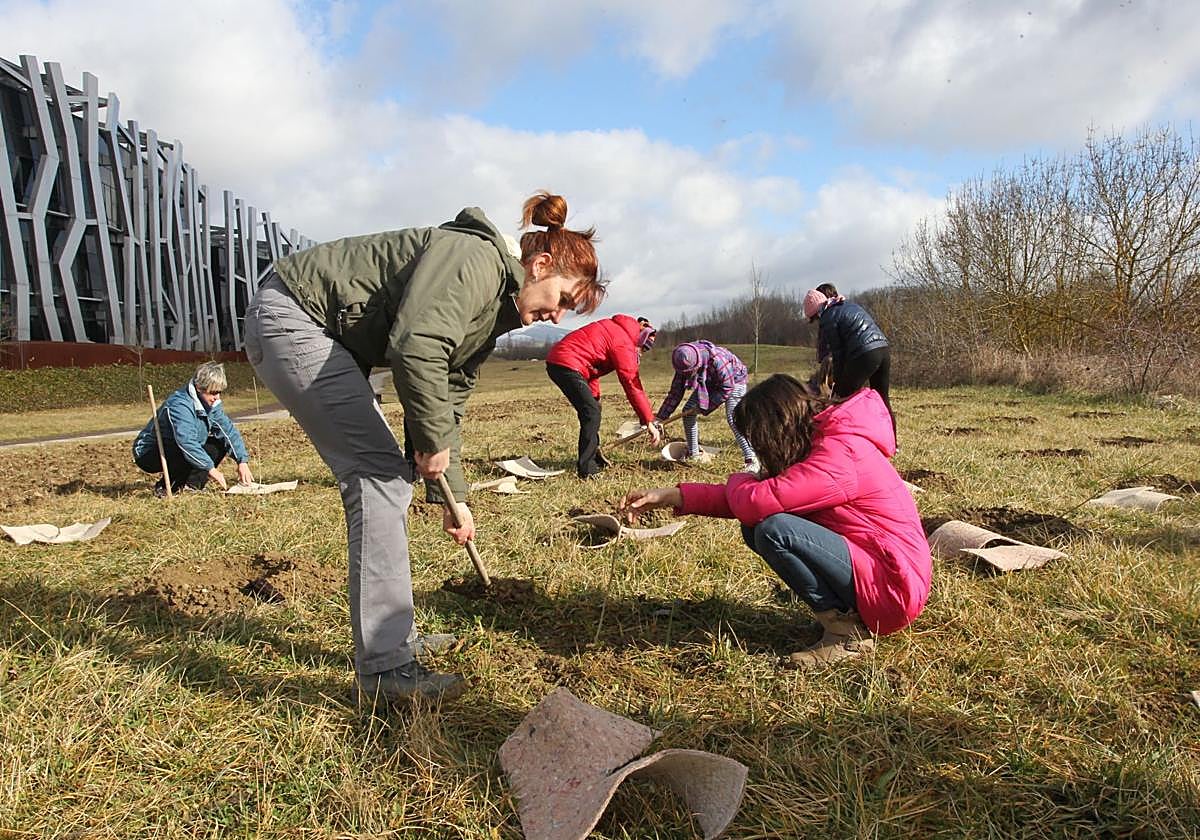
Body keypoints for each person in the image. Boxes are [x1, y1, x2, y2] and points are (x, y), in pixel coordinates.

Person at [243, 191, 605, 703]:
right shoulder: (475, 260)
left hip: (323, 331)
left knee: (391, 478)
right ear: (541, 265)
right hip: (294, 317)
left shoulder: (497, 306)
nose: (558, 316)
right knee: (378, 477)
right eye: (563, 299)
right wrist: (431, 443)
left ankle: (395, 641)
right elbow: (416, 347)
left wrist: (451, 496)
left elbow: (447, 389)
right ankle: (385, 670)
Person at [622, 373, 930, 667]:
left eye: (758, 439)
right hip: (882, 573)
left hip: (893, 587)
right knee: (758, 526)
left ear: (777, 429)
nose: (758, 448)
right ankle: (840, 616)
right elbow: (753, 501)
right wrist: (670, 496)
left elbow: (756, 502)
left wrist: (744, 478)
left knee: (773, 530)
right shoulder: (824, 442)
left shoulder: (838, 457)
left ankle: (847, 636)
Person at [545, 315, 661, 478]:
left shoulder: (616, 329)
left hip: (562, 361)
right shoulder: (624, 342)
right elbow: (631, 382)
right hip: (567, 364)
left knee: (593, 410)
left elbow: (592, 367)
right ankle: (588, 469)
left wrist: (594, 397)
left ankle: (594, 455)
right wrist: (648, 420)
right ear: (639, 341)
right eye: (643, 349)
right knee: (591, 413)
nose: (641, 353)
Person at [132, 361, 254, 496]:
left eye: (219, 392)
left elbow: (228, 432)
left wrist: (242, 461)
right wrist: (211, 469)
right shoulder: (179, 405)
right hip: (149, 452)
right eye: (213, 392)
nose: (217, 397)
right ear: (199, 388)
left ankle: (192, 487)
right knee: (186, 448)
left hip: (180, 448)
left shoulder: (212, 404)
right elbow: (186, 442)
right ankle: (167, 488)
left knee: (217, 443)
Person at [803, 288, 894, 435]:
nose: (817, 322)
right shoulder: (846, 304)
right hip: (882, 348)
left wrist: (837, 386)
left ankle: (839, 437)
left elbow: (838, 355)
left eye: (814, 319)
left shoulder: (828, 317)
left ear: (816, 313)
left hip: (865, 353)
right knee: (882, 398)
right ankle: (892, 443)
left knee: (843, 400)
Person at [655, 341, 758, 471]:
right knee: (688, 412)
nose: (686, 376)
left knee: (734, 418)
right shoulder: (683, 363)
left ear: (696, 365)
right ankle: (695, 454)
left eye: (689, 373)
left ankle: (752, 459)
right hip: (709, 382)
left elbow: (727, 388)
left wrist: (706, 407)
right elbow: (675, 393)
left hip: (734, 381)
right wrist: (660, 418)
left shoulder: (717, 360)